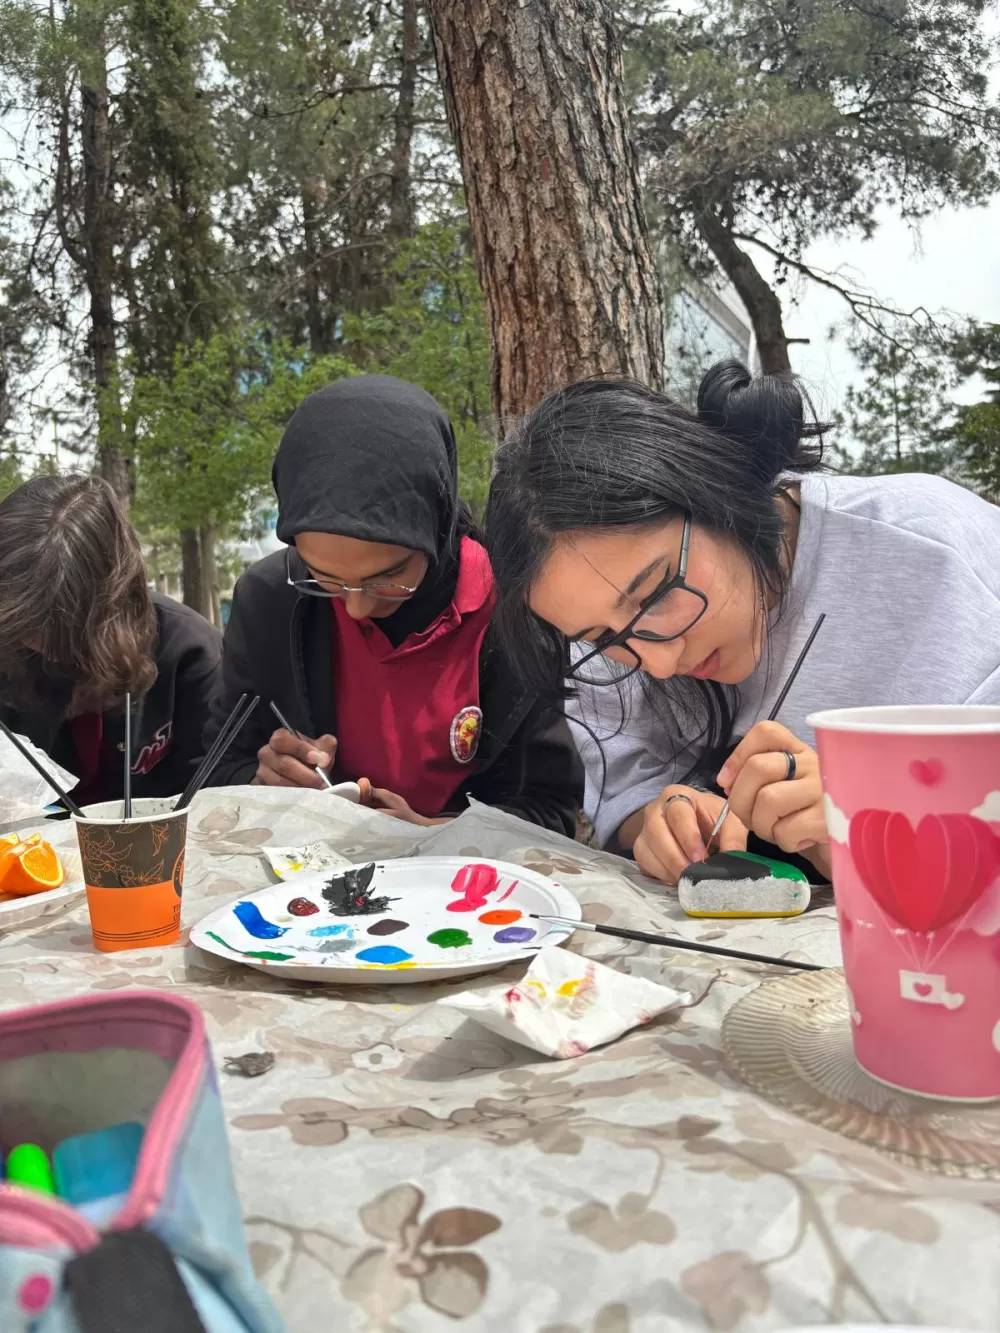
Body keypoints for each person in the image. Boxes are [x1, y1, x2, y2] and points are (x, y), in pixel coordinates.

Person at [484, 361, 1000, 885]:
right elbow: (628, 792)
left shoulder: (936, 553)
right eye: (601, 638)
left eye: (659, 593)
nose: (659, 664)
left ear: (718, 495)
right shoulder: (595, 643)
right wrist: (661, 825)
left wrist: (877, 821)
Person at [206, 375, 582, 834]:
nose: (358, 608)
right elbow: (217, 770)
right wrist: (262, 781)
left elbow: (550, 808)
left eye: (388, 577)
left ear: (437, 525)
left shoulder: (514, 607)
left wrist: (434, 832)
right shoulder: (271, 599)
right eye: (324, 577)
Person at [0, 475, 223, 807]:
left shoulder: (188, 652)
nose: (37, 640)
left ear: (114, 596)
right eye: (21, 621)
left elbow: (215, 793)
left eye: (60, 621)